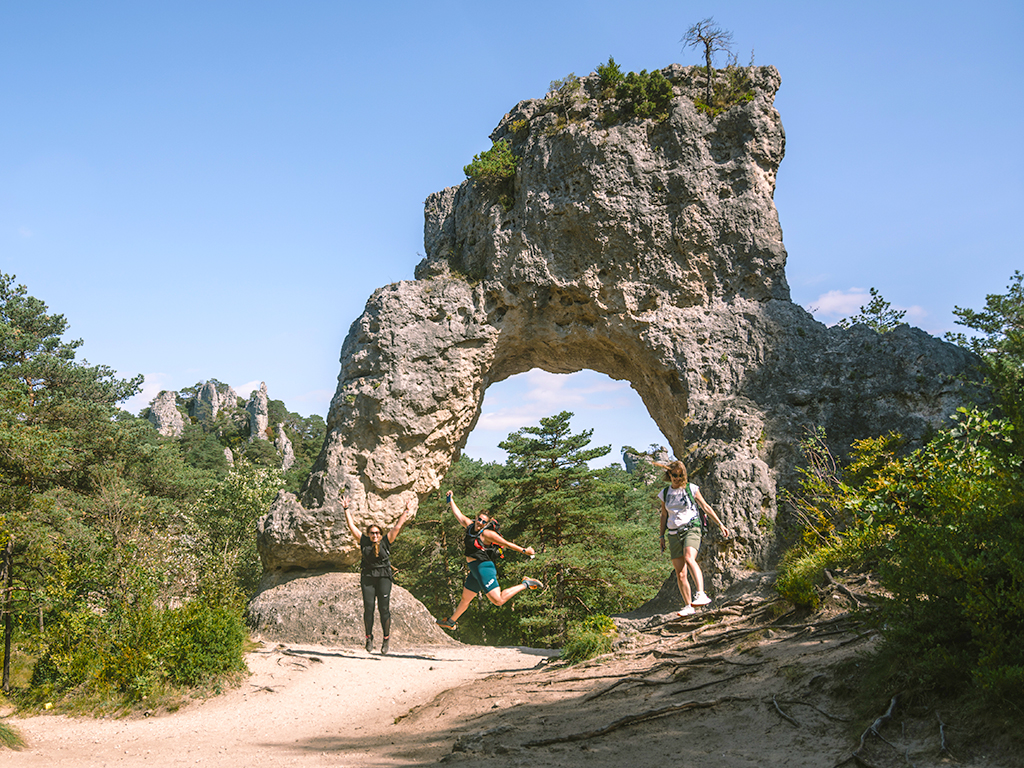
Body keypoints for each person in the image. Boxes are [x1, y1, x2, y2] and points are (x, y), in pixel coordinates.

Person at [435, 490, 544, 631]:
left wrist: (525, 551)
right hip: (474, 570)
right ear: (476, 517)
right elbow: (459, 515)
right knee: (465, 599)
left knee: (498, 600)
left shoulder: (487, 534)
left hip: (484, 568)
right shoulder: (470, 526)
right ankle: (451, 622)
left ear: (487, 524)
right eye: (479, 519)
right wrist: (450, 500)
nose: (480, 523)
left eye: (483, 521)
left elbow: (507, 544)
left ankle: (526, 584)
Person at [654, 460, 730, 617]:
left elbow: (705, 507)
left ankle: (701, 593)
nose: (677, 478)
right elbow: (664, 515)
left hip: (691, 529)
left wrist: (720, 524)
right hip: (673, 534)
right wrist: (661, 535)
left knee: (689, 558)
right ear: (669, 474)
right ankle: (688, 606)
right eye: (674, 475)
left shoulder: (691, 489)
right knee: (680, 573)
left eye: (680, 475)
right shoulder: (665, 493)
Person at [343, 495, 412, 655]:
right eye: (372, 533)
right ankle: (369, 638)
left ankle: (386, 639)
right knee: (368, 608)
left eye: (377, 533)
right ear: (368, 534)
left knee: (384, 609)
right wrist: (346, 509)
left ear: (380, 534)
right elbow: (351, 525)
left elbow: (397, 527)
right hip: (367, 577)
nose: (374, 535)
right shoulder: (364, 541)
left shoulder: (386, 541)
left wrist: (406, 511)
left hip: (383, 577)